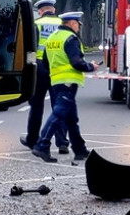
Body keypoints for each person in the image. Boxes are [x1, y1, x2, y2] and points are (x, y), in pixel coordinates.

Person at [32, 12, 100, 163]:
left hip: (56, 81)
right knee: (58, 114)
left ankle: (80, 149)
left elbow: (45, 62)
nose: (79, 27)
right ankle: (42, 145)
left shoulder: (52, 38)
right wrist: (91, 66)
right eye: (77, 23)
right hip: (68, 82)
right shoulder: (71, 38)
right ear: (71, 23)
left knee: (71, 119)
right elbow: (76, 62)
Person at [21, 0, 69, 153]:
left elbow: (30, 50)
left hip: (40, 69)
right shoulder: (63, 24)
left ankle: (32, 140)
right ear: (53, 10)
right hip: (58, 69)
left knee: (36, 106)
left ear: (40, 11)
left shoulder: (36, 24)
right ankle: (62, 143)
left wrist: (28, 69)